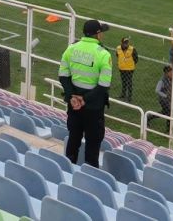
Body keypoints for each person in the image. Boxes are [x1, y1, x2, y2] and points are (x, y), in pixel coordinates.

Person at [58, 19, 112, 167]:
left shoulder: (71, 49)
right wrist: (84, 99)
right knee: (92, 145)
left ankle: (67, 171)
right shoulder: (104, 54)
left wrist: (72, 97)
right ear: (98, 34)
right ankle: (90, 177)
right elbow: (103, 85)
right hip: (93, 108)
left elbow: (63, 76)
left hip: (74, 105)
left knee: (73, 139)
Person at [147, 65, 173, 132]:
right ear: (166, 73)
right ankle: (168, 130)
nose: (172, 73)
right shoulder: (162, 81)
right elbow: (157, 90)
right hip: (163, 100)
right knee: (169, 113)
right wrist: (165, 96)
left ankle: (148, 117)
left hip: (167, 99)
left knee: (164, 112)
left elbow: (169, 88)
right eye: (171, 72)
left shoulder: (169, 79)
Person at [114, 37, 138, 103]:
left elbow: (136, 59)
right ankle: (123, 94)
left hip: (129, 69)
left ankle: (129, 97)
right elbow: (117, 55)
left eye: (127, 43)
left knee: (129, 83)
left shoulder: (132, 49)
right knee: (123, 82)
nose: (126, 44)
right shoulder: (118, 48)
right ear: (121, 43)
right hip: (122, 69)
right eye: (124, 43)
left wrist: (130, 64)